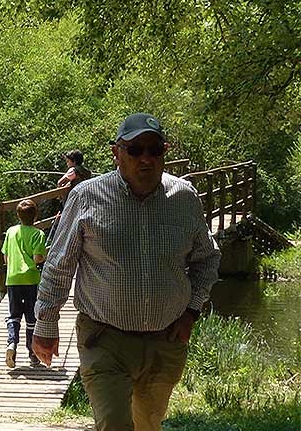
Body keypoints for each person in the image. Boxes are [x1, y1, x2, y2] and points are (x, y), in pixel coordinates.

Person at [32, 113, 221, 431]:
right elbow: (59, 265)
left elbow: (207, 259)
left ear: (165, 151)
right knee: (115, 425)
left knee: (148, 425)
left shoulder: (185, 198)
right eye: (135, 150)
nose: (145, 158)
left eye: (154, 149)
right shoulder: (87, 197)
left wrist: (191, 312)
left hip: (166, 340)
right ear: (116, 153)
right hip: (105, 340)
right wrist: (46, 324)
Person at [2, 198, 47, 368]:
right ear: (35, 216)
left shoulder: (11, 232)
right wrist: (43, 258)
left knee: (14, 315)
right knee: (31, 317)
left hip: (12, 279)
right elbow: (37, 258)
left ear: (18, 216)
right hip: (31, 280)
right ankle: (32, 354)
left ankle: (12, 344)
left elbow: (5, 257)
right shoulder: (38, 234)